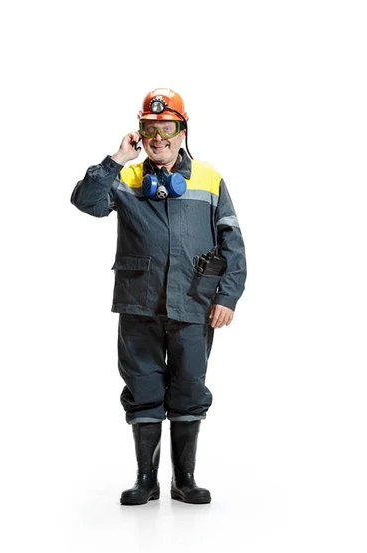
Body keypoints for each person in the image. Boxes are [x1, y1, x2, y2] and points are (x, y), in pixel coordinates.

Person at [71, 88, 247, 505]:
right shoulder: (127, 176)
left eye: (166, 128)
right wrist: (116, 160)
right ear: (140, 134)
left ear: (182, 131)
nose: (158, 137)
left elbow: (232, 241)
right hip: (139, 302)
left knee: (188, 387)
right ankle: (146, 480)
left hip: (194, 302)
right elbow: (85, 201)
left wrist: (228, 295)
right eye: (150, 129)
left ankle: (183, 481)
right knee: (143, 386)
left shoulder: (208, 177)